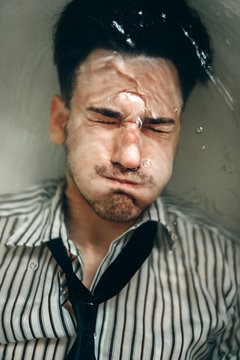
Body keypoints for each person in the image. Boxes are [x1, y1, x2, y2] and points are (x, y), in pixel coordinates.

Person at [0, 0, 239, 359]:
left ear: (179, 136)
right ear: (59, 122)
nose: (129, 157)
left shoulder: (226, 272)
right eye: (107, 119)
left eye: (157, 127)